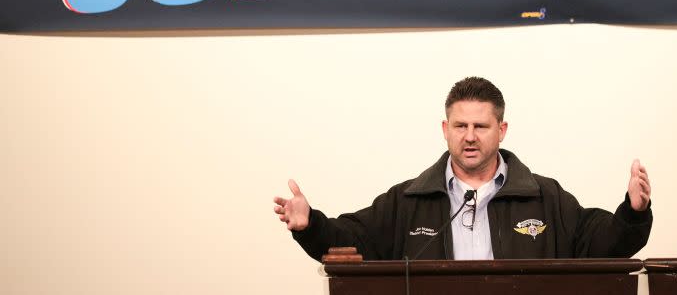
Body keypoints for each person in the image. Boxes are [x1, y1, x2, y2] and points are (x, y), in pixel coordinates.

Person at [273, 77, 652, 261]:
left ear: (501, 131)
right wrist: (311, 225)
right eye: (460, 126)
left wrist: (633, 213)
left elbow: (602, 242)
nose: (470, 137)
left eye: (481, 127)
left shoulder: (544, 197)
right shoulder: (408, 200)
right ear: (445, 130)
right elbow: (350, 240)